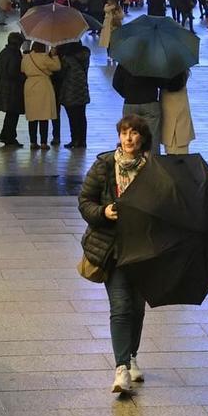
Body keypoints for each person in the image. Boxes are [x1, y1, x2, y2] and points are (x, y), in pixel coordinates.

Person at [79, 116, 154, 397]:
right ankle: (121, 367)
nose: (129, 138)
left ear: (143, 139)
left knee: (137, 307)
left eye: (134, 133)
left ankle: (132, 354)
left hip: (143, 249)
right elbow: (85, 200)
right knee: (121, 306)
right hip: (113, 248)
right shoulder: (104, 165)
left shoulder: (152, 170)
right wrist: (104, 212)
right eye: (124, 133)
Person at [21, 40, 62, 150]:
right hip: (43, 84)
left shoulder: (26, 57)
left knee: (32, 116)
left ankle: (33, 142)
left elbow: (22, 69)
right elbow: (57, 67)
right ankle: (43, 142)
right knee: (44, 115)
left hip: (29, 85)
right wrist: (54, 56)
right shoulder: (45, 58)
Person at [56, 39, 92, 148]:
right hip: (82, 89)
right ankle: (82, 140)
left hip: (70, 91)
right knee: (81, 116)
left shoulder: (67, 58)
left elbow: (60, 74)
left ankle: (75, 139)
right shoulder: (85, 55)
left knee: (72, 117)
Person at [0, 31, 25, 147]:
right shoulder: (15, 54)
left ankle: (7, 136)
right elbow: (12, 72)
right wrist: (23, 76)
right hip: (12, 90)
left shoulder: (4, 52)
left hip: (3, 88)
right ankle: (8, 137)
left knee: (10, 114)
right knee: (13, 114)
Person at [159, 68, 194, 154]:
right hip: (180, 114)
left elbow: (172, 84)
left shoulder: (164, 71)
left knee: (173, 152)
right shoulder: (182, 69)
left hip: (171, 118)